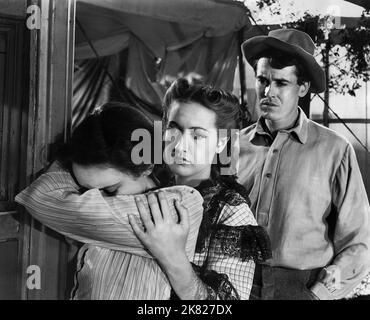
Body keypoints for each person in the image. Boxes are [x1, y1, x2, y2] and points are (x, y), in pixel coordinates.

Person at [16, 102, 204, 300]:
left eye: (110, 189)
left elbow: (40, 197)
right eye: (85, 191)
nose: (96, 200)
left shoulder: (179, 205)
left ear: (147, 166)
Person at [238, 28, 370, 300]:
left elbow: (359, 240)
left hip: (301, 288)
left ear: (303, 87)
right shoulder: (231, 146)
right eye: (262, 80)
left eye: (281, 83)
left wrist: (318, 295)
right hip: (235, 284)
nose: (268, 92)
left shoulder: (335, 150)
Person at [129, 78, 271, 299]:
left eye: (198, 136)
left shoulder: (230, 210)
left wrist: (172, 256)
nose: (181, 145)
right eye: (174, 130)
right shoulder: (148, 188)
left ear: (221, 143)